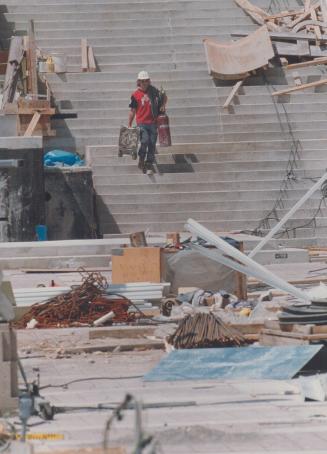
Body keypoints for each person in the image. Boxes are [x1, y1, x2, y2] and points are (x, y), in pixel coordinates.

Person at [128, 71, 167, 175]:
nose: (145, 83)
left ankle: (149, 163)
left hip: (153, 123)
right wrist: (129, 124)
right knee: (144, 140)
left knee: (152, 143)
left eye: (146, 81)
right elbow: (132, 111)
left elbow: (164, 97)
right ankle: (141, 158)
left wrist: (163, 104)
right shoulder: (135, 95)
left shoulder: (153, 91)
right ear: (139, 82)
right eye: (142, 81)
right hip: (141, 123)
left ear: (149, 81)